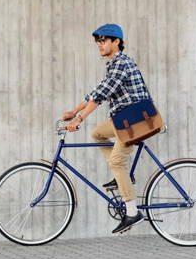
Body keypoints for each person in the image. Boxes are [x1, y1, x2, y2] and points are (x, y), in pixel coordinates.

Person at [62, 23, 152, 234]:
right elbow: (97, 91)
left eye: (103, 41)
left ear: (116, 42)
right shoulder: (113, 64)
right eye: (98, 41)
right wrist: (74, 111)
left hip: (136, 119)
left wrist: (79, 119)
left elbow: (101, 96)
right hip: (124, 118)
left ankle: (132, 212)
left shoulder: (121, 63)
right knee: (98, 134)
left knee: (116, 161)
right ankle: (123, 177)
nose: (99, 45)